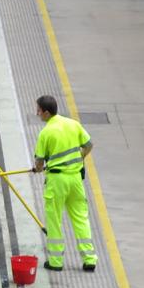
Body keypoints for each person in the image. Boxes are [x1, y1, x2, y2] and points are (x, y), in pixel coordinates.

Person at [30, 95, 97, 272]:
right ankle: (89, 259)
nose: (37, 114)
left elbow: (39, 163)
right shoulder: (73, 124)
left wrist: (37, 169)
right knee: (80, 218)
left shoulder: (46, 133)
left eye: (38, 110)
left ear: (46, 112)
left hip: (57, 181)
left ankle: (56, 262)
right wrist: (78, 159)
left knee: (54, 221)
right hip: (75, 179)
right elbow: (89, 145)